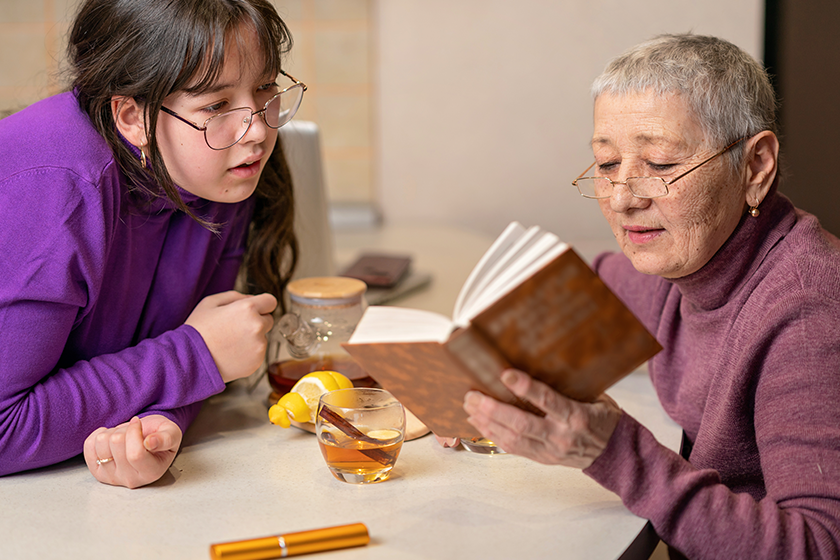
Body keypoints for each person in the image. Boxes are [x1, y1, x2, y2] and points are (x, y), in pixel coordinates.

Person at [445, 34, 840, 558]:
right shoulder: (683, 256)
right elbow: (585, 283)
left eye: (659, 165)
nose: (624, 199)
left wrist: (613, 451)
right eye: (607, 166)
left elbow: (818, 547)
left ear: (756, 167)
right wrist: (453, 374)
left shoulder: (810, 308)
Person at [0, 0, 303, 489]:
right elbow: (3, 428)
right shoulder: (58, 191)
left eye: (266, 88)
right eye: (216, 105)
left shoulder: (217, 166)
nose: (260, 130)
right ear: (131, 116)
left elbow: (197, 344)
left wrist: (162, 425)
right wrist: (196, 357)